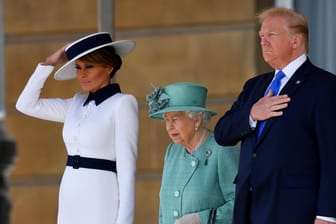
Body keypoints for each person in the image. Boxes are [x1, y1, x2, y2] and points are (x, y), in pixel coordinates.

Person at [214, 7, 336, 224]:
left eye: (271, 35)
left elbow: (332, 155)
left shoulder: (324, 86)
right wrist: (252, 114)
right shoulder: (254, 87)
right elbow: (222, 133)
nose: (263, 41)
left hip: (296, 211)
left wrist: (327, 214)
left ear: (296, 41)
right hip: (250, 209)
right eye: (261, 36)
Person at [16, 32, 139, 224]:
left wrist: (125, 221)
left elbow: (127, 169)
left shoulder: (123, 103)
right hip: (70, 192)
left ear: (109, 66)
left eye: (89, 66)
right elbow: (25, 105)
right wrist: (49, 63)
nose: (82, 74)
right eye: (78, 67)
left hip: (101, 193)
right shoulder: (75, 103)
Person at [146, 82, 239, 224]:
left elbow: (241, 203)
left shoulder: (222, 148)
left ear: (197, 119)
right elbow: (163, 211)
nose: (169, 127)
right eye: (166, 119)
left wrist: (202, 219)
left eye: (175, 119)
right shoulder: (172, 151)